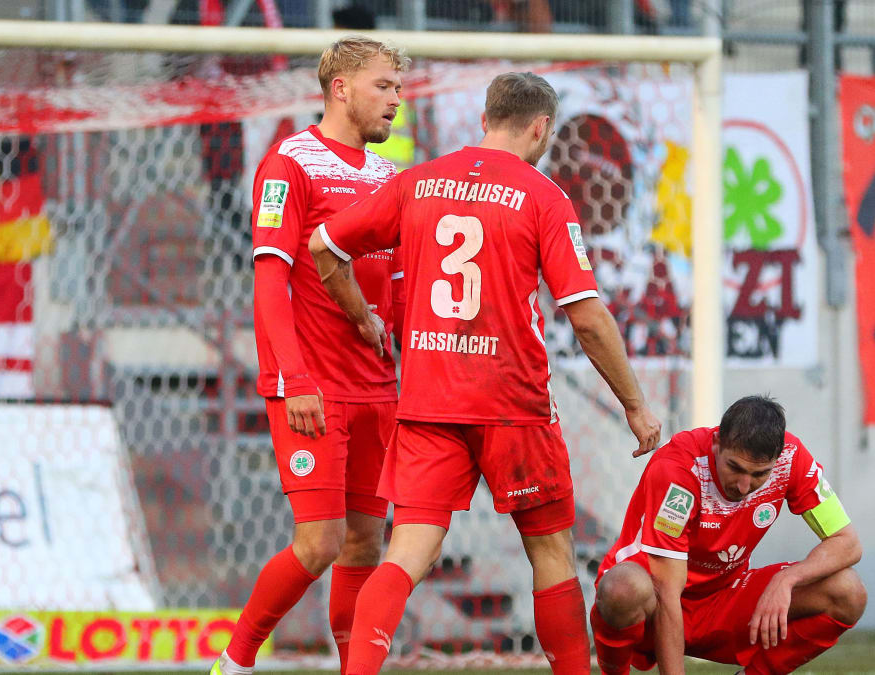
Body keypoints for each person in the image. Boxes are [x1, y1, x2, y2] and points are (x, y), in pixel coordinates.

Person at [308, 71, 663, 674]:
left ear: (484, 120)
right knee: (550, 552)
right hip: (512, 403)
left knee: (405, 555)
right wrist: (633, 403)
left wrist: (364, 318)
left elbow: (323, 246)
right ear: (541, 127)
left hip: (427, 401)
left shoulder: (415, 182)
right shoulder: (544, 197)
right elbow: (587, 315)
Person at [210, 37, 409, 675]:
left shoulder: (389, 178)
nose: (396, 103)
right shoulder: (289, 163)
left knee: (362, 544)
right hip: (312, 387)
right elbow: (270, 280)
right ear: (341, 88)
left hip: (378, 389)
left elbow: (397, 287)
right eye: (385, 87)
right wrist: (294, 377)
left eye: (399, 90)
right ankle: (235, 663)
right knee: (319, 541)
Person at [591, 395, 866, 675]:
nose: (745, 485)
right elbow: (667, 592)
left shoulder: (792, 458)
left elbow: (848, 543)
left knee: (847, 591)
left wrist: (788, 579)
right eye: (735, 468)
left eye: (759, 474)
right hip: (656, 601)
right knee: (622, 589)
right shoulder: (679, 469)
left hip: (722, 600)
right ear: (716, 444)